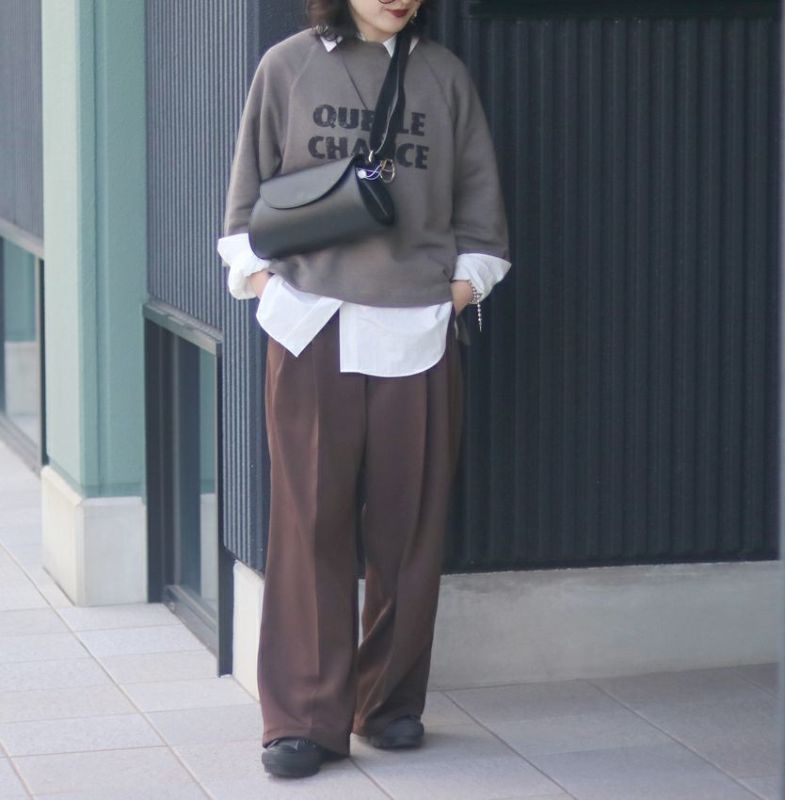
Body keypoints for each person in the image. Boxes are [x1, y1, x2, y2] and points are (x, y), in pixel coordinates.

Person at [217, 0, 510, 780]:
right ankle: (303, 719)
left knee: (409, 530)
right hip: (312, 327)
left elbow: (482, 216)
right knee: (308, 525)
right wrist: (272, 295)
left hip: (418, 332)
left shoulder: (444, 77)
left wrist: (452, 297)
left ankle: (388, 702)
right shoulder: (288, 66)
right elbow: (245, 206)